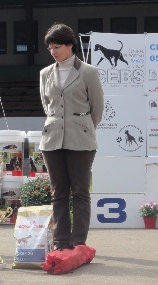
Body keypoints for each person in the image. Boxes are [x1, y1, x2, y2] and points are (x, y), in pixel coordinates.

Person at [39, 23, 104, 250]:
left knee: (80, 191)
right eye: (50, 48)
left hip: (81, 138)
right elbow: (47, 105)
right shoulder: (45, 73)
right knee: (58, 192)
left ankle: (78, 242)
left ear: (70, 46)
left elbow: (97, 109)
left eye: (57, 47)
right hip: (52, 138)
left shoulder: (89, 72)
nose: (53, 52)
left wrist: (81, 126)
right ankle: (60, 242)